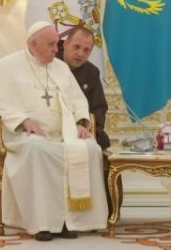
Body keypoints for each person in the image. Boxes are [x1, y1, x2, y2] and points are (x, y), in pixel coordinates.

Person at [0, 21, 108, 241]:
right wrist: (24, 121)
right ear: (33, 44)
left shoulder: (60, 68)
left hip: (62, 133)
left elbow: (78, 101)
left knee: (90, 149)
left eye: (57, 44)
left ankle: (70, 221)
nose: (56, 50)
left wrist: (81, 122)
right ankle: (42, 224)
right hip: (23, 135)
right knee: (38, 149)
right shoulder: (7, 65)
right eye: (51, 45)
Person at [56, 26, 113, 215]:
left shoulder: (92, 72)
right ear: (65, 44)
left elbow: (99, 107)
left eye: (86, 50)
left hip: (83, 127)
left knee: (103, 144)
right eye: (76, 47)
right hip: (57, 127)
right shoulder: (51, 64)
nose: (80, 53)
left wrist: (89, 127)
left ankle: (105, 211)